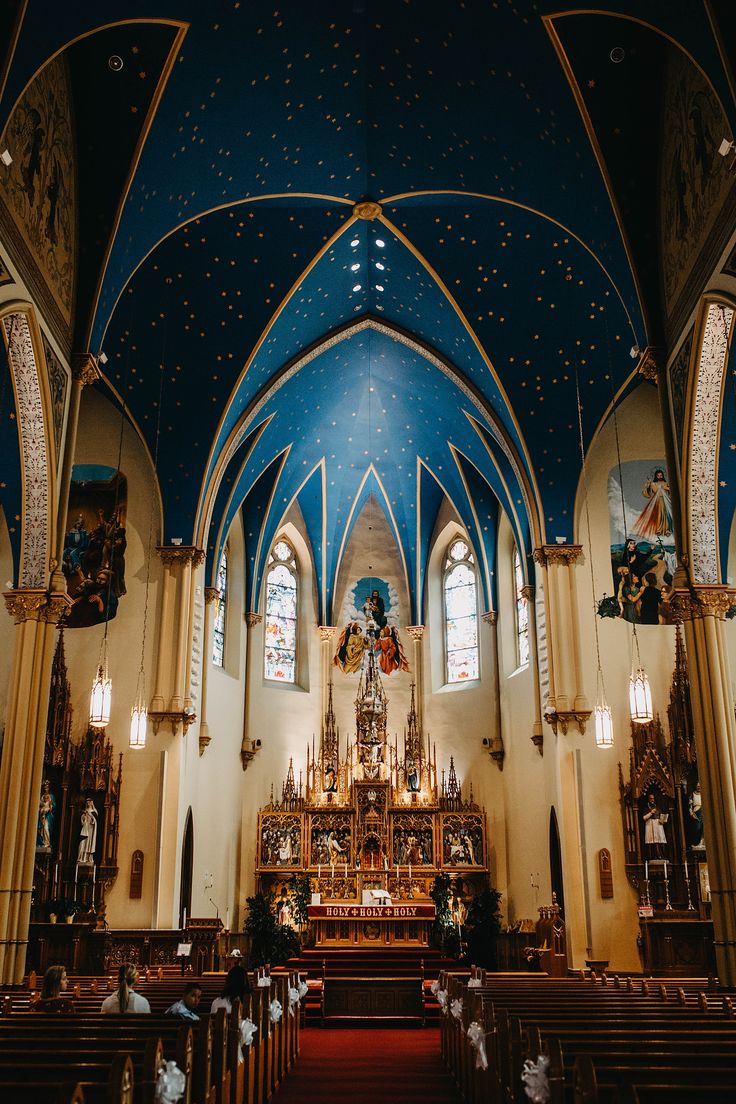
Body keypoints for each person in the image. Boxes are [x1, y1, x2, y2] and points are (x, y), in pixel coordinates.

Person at [632, 468, 673, 542]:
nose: (660, 476)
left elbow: (671, 491)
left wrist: (666, 487)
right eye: (658, 475)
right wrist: (648, 484)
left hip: (665, 501)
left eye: (661, 475)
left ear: (663, 475)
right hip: (656, 502)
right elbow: (648, 493)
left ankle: (667, 530)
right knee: (658, 515)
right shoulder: (653, 484)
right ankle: (659, 529)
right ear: (656, 476)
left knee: (665, 515)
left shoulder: (666, 483)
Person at [643, 793, 667, 858]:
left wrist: (663, 819)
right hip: (650, 825)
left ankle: (661, 856)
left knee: (660, 840)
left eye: (653, 798)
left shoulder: (658, 807)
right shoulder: (646, 807)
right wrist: (651, 813)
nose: (652, 800)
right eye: (651, 798)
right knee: (652, 841)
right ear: (648, 799)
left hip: (658, 825)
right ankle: (653, 857)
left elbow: (661, 816)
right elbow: (644, 818)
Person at [77, 798, 98, 864]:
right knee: (82, 844)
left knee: (89, 845)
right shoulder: (84, 811)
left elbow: (94, 822)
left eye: (89, 801)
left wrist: (89, 814)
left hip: (90, 831)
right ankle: (81, 858)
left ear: (92, 802)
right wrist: (83, 816)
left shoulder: (94, 812)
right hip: (85, 829)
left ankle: (88, 858)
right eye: (87, 802)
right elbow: (82, 822)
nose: (88, 803)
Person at [37, 780, 55, 851]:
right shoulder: (42, 797)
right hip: (41, 816)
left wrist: (49, 808)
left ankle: (47, 842)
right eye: (44, 787)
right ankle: (41, 843)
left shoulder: (51, 796)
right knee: (40, 829)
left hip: (48, 816)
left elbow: (54, 805)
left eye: (47, 787)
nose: (45, 788)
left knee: (46, 828)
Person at [689, 782, 705, 850]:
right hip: (696, 812)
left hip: (703, 811)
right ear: (695, 786)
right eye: (697, 786)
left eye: (700, 786)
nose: (698, 787)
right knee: (697, 828)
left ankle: (702, 843)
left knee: (703, 828)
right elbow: (690, 806)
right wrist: (691, 813)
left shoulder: (703, 794)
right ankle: (696, 843)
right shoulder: (692, 794)